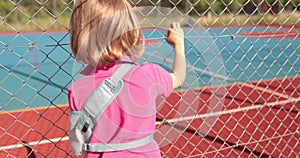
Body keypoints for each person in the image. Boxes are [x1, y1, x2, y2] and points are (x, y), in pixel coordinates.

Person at [68, 0, 186, 157]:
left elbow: (78, 142)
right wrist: (179, 44)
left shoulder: (77, 90)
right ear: (132, 31)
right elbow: (178, 77)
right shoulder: (148, 75)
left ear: (80, 36)